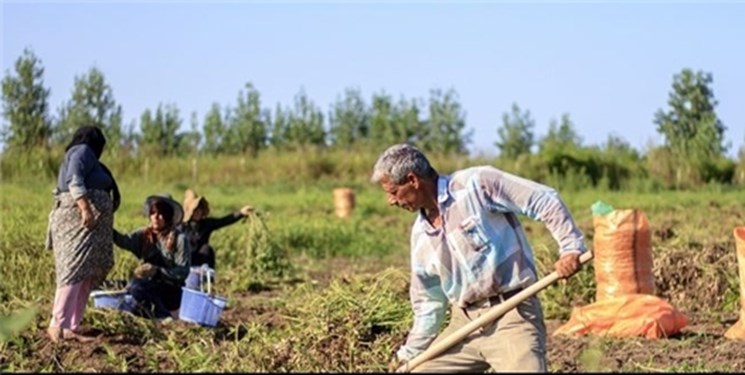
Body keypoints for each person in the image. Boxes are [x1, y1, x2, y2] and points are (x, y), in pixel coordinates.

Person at [371, 144, 587, 373]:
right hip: (464, 324)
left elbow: (543, 199)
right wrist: (407, 355)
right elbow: (428, 303)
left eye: (393, 192)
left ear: (413, 180)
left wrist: (570, 248)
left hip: (511, 314)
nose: (391, 201)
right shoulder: (420, 236)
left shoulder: (477, 184)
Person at [45, 125, 121, 343]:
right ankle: (57, 324)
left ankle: (71, 326)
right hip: (77, 223)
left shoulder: (90, 158)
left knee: (86, 274)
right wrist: (86, 208)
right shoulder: (82, 151)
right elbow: (74, 179)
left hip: (91, 230)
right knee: (73, 270)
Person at [113, 194, 191, 320]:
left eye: (161, 214)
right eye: (153, 213)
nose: (156, 217)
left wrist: (158, 271)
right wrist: (105, 227)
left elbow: (183, 272)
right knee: (119, 285)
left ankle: (164, 315)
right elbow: (123, 240)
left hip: (170, 291)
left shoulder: (179, 239)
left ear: (168, 217)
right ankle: (152, 313)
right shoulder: (144, 235)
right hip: (148, 287)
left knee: (135, 286)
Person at [180, 188, 254, 270]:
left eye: (199, 209)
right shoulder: (181, 227)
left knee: (206, 249)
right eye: (195, 210)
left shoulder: (206, 224)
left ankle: (209, 277)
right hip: (185, 261)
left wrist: (241, 213)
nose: (198, 212)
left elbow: (224, 221)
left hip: (202, 260)